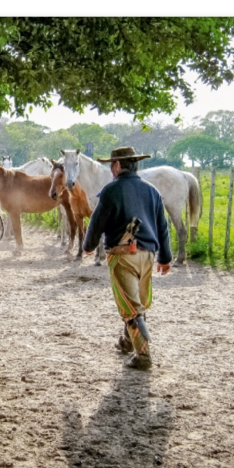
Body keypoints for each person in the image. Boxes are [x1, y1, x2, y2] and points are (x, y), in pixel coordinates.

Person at [82, 146, 173, 369]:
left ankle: (143, 356)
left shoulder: (111, 191)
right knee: (138, 301)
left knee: (131, 306)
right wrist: (165, 257)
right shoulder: (152, 191)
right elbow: (163, 226)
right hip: (148, 256)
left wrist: (88, 246)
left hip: (123, 256)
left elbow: (96, 223)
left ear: (117, 165)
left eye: (112, 164)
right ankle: (126, 342)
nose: (111, 168)